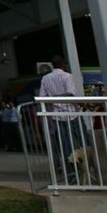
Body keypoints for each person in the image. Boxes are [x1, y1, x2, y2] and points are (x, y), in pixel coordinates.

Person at [38, 55, 82, 183]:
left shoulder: (45, 78)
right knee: (83, 142)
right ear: (63, 65)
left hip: (56, 115)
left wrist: (53, 99)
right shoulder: (67, 76)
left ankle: (71, 174)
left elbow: (42, 96)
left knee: (64, 146)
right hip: (72, 113)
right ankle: (87, 168)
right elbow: (71, 93)